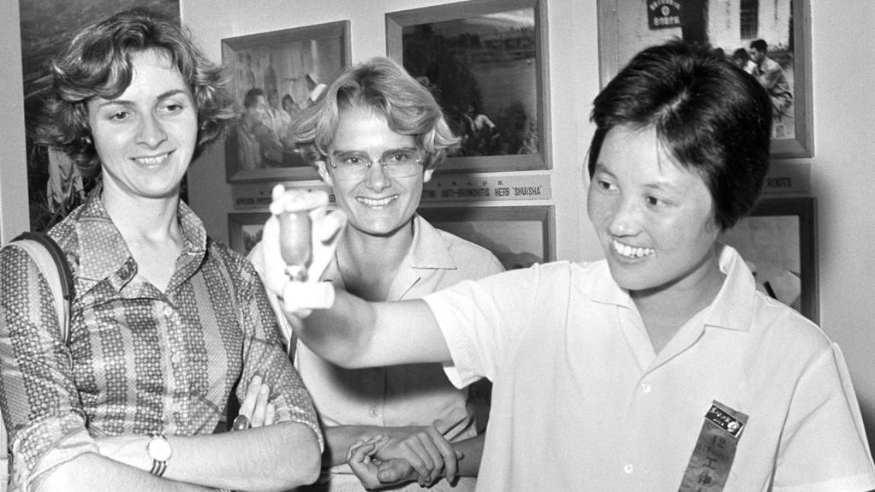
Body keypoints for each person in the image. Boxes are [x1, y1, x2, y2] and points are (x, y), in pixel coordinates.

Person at [257, 41, 875, 491]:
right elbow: (361, 335)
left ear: (728, 201)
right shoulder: (536, 303)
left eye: (655, 200)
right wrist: (304, 284)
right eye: (606, 184)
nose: (620, 221)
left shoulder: (797, 363)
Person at [0, 8, 322, 492]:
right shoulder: (31, 269)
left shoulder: (234, 276)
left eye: (170, 106)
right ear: (86, 126)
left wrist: (146, 451)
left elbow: (301, 452)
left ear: (198, 111)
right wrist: (236, 465)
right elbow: (56, 475)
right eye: (120, 113)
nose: (150, 134)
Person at [254, 56, 504, 492]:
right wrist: (378, 440)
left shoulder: (478, 272)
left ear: (427, 163)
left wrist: (428, 460)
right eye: (354, 159)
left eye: (397, 156)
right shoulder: (274, 263)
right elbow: (253, 431)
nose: (377, 181)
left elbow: (522, 431)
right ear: (324, 167)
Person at [749, 39, 793, 118]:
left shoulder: (773, 67)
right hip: (770, 97)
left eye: (753, 53)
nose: (751, 56)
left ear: (762, 53)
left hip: (781, 99)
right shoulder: (756, 68)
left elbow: (761, 87)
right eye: (750, 53)